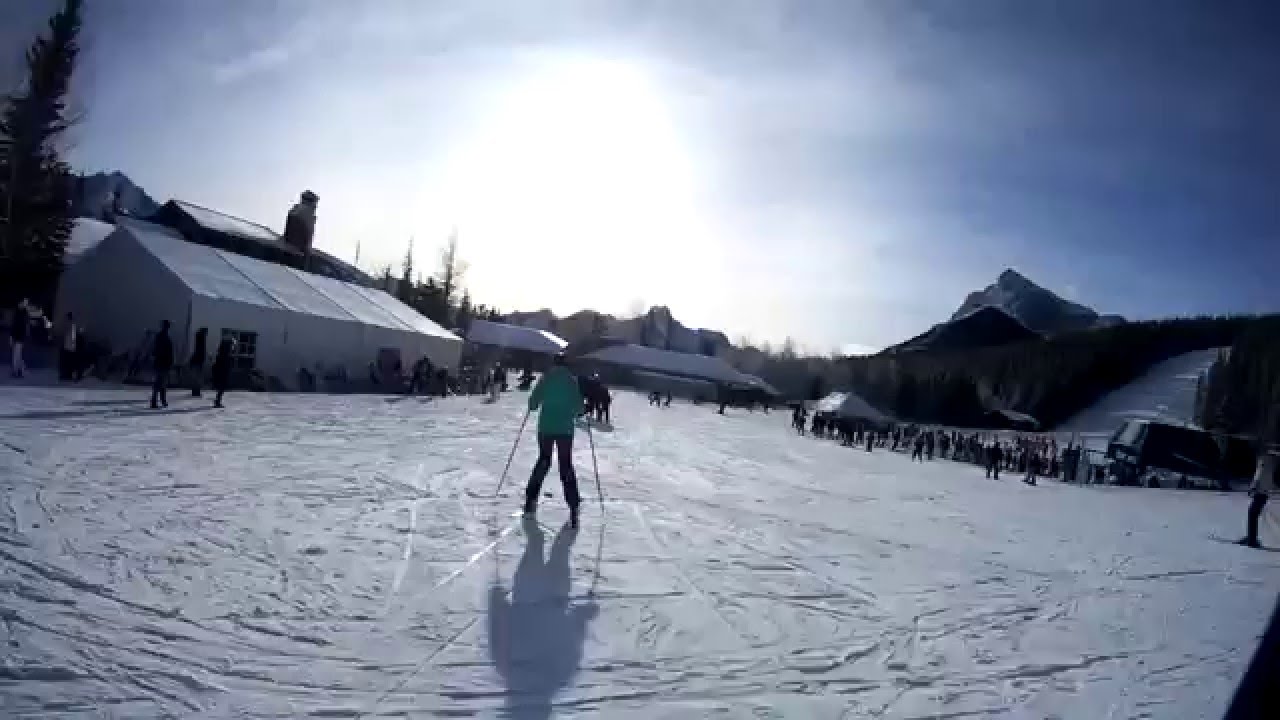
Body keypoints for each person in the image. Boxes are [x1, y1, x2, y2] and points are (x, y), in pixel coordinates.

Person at [523, 353, 583, 527]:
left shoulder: (546, 378)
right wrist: (578, 409)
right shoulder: (572, 381)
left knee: (544, 460)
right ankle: (573, 505)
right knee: (565, 464)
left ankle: (530, 500)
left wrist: (534, 403)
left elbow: (533, 404)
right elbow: (579, 408)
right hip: (565, 429)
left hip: (546, 428)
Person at [1240, 447, 1278, 549]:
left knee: (1252, 513)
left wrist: (1253, 487)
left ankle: (1251, 539)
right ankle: (1251, 537)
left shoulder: (1263, 460)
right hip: (1266, 490)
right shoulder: (1273, 461)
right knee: (1254, 513)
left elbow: (1259, 475)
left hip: (1261, 490)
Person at [150, 320, 174, 409]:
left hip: (160, 362)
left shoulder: (160, 337)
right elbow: (167, 352)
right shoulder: (164, 338)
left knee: (160, 383)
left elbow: (155, 350)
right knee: (161, 383)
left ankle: (159, 401)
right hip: (163, 363)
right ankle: (160, 401)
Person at [9, 299, 29, 378]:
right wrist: (11, 336)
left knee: (17, 355)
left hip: (19, 337)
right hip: (17, 336)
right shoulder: (19, 314)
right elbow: (14, 325)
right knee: (17, 355)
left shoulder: (23, 314)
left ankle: (17, 371)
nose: (25, 304)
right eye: (24, 303)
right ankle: (18, 370)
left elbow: (22, 326)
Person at [211, 336, 233, 408]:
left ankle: (217, 401)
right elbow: (224, 364)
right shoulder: (225, 354)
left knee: (221, 388)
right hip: (222, 373)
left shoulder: (222, 353)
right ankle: (217, 401)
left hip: (221, 372)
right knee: (222, 387)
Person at [58, 312, 78, 381]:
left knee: (67, 362)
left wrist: (72, 346)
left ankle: (67, 375)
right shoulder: (70, 325)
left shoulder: (71, 325)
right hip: (68, 346)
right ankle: (67, 375)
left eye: (66, 318)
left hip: (69, 347)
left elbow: (72, 337)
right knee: (67, 362)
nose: (65, 319)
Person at [189, 327, 208, 396]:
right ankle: (196, 391)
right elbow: (200, 350)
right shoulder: (201, 338)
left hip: (197, 360)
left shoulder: (200, 338)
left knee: (196, 377)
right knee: (197, 377)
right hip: (198, 361)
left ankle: (196, 391)